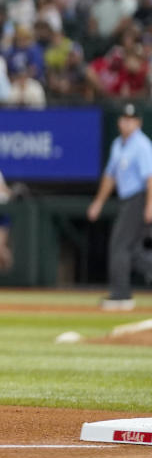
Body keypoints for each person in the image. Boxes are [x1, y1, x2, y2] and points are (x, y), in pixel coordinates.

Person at [87, 103, 152, 311]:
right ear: (119, 121)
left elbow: (150, 178)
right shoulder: (118, 144)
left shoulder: (142, 145)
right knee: (133, 251)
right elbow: (110, 177)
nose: (127, 123)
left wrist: (150, 205)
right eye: (124, 119)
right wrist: (98, 202)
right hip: (126, 199)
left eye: (131, 120)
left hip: (139, 198)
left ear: (138, 123)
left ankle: (121, 295)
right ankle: (122, 292)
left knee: (119, 245)